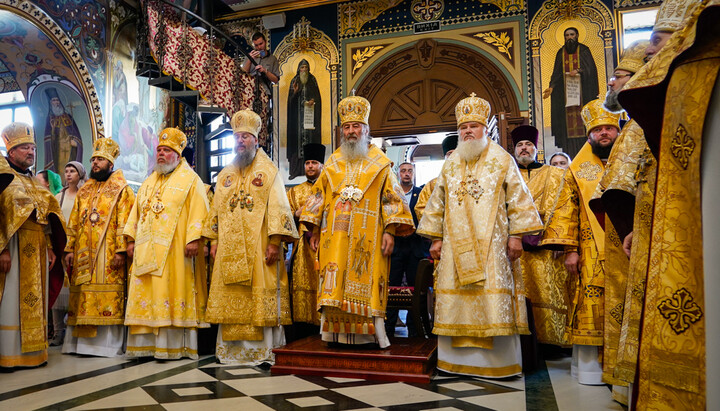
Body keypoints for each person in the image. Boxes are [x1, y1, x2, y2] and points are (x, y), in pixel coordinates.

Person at [617, 1, 718, 408]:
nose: (649, 52)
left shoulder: (691, 74)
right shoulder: (671, 82)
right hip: (660, 219)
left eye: (656, 41)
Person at [416, 93, 542, 377]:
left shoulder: (501, 159)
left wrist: (517, 236)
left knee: (491, 297)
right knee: (455, 296)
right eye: (463, 127)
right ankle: (453, 362)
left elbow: (519, 199)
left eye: (473, 126)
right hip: (454, 247)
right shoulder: (450, 163)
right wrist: (435, 238)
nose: (468, 131)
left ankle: (497, 365)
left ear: (485, 129)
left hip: (494, 247)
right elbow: (437, 203)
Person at [300, 94, 414, 348]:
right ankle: (334, 336)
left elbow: (392, 198)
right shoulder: (332, 162)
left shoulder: (381, 164)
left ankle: (373, 336)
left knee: (369, 283)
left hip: (369, 236)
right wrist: (315, 230)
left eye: (356, 126)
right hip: (334, 237)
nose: (351, 132)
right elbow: (319, 196)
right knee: (334, 283)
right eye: (347, 127)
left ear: (366, 129)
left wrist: (390, 230)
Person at [203, 110, 298, 364]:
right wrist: (213, 241)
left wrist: (276, 242)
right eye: (237, 137)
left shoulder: (269, 173)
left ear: (256, 140)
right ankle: (231, 351)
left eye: (245, 137)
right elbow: (215, 211)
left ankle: (263, 351)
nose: (240, 141)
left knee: (259, 295)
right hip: (228, 249)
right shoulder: (225, 175)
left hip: (260, 247)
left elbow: (279, 208)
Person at [584, 40, 651, 400]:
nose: (611, 83)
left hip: (642, 233)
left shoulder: (641, 125)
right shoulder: (638, 125)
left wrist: (627, 227)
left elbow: (616, 188)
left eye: (618, 76)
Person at [541, 99, 622, 385]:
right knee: (591, 306)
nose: (604, 134)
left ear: (617, 131)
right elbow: (566, 209)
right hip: (590, 251)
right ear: (589, 134)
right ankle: (592, 371)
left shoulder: (630, 161)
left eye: (609, 129)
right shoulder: (577, 170)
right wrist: (570, 250)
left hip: (628, 248)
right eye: (598, 129)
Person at [123, 128, 209, 360]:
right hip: (144, 251)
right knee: (146, 293)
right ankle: (144, 347)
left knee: (170, 292)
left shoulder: (191, 180)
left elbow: (200, 211)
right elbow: (136, 213)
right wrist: (130, 240)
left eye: (167, 150)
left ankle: (170, 347)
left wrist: (194, 238)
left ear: (178, 155)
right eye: (159, 150)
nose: (161, 154)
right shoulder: (149, 181)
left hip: (176, 251)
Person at [0, 122, 66, 369]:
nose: (31, 152)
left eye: (33, 148)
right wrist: (2, 249)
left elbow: (45, 216)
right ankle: (8, 354)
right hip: (14, 247)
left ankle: (34, 354)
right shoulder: (4, 177)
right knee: (10, 300)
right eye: (25, 147)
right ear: (12, 150)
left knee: (33, 300)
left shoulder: (32, 180)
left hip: (37, 248)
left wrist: (50, 246)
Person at [62, 139, 135, 357]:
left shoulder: (123, 189)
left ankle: (106, 347)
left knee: (106, 294)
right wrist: (69, 249)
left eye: (100, 160)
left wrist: (122, 250)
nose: (95, 163)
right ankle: (78, 345)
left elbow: (127, 220)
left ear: (110, 164)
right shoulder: (85, 190)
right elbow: (74, 220)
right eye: (94, 159)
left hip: (108, 254)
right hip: (83, 253)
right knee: (82, 293)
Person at [511, 125, 569, 347]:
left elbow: (565, 207)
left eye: (528, 145)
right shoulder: (507, 176)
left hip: (547, 247)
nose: (524, 149)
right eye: (519, 145)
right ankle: (524, 343)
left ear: (536, 149)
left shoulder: (553, 174)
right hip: (516, 249)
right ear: (514, 150)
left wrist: (558, 240)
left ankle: (551, 341)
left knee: (547, 291)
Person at [386, 162, 428, 337]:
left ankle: (414, 329)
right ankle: (388, 328)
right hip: (395, 247)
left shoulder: (421, 193)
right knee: (391, 287)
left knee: (415, 288)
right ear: (398, 173)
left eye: (410, 171)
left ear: (414, 173)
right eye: (403, 171)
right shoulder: (391, 194)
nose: (406, 174)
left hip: (415, 247)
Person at [286, 143, 325, 335]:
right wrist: (296, 213)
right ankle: (301, 329)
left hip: (323, 245)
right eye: (308, 163)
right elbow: (285, 216)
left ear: (322, 166)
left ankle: (322, 325)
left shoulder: (328, 187)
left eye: (314, 163)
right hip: (301, 247)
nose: (310, 166)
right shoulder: (294, 191)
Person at [542, 27, 599, 157]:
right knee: (567, 129)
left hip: (583, 97)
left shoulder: (584, 50)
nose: (569, 37)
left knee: (582, 126)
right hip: (566, 100)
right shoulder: (560, 53)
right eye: (567, 35)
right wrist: (552, 87)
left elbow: (591, 71)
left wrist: (579, 71)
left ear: (577, 35)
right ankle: (570, 156)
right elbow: (556, 73)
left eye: (572, 34)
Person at [50, 160, 88, 346]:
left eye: (72, 171)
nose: (69, 174)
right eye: (66, 171)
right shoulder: (60, 196)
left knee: (75, 290)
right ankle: (58, 331)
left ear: (80, 173)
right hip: (61, 246)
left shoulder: (86, 195)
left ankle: (74, 328)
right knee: (59, 289)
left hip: (79, 247)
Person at [287, 60, 323, 180]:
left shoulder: (312, 80)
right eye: (302, 67)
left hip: (310, 118)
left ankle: (313, 171)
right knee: (296, 144)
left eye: (306, 67)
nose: (304, 70)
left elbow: (317, 96)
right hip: (297, 121)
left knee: (310, 143)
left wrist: (313, 100)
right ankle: (296, 170)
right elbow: (290, 102)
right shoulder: (295, 81)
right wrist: (296, 93)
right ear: (298, 69)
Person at [415, 134, 457, 222]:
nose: (453, 157)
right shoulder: (433, 185)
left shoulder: (475, 180)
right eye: (449, 154)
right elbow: (421, 209)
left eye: (457, 153)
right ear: (445, 157)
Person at [43, 88, 83, 174]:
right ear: (50, 103)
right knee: (60, 171)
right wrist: (53, 129)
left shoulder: (69, 117)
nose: (56, 102)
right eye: (54, 100)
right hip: (57, 151)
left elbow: (77, 135)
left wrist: (76, 143)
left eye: (57, 100)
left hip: (70, 150)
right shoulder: (50, 119)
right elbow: (48, 140)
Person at [241, 32, 280, 98]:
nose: (259, 47)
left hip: (265, 92)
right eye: (256, 45)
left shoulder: (272, 59)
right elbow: (243, 74)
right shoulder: (249, 56)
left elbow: (276, 80)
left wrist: (265, 71)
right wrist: (250, 60)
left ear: (266, 42)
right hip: (249, 92)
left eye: (261, 44)